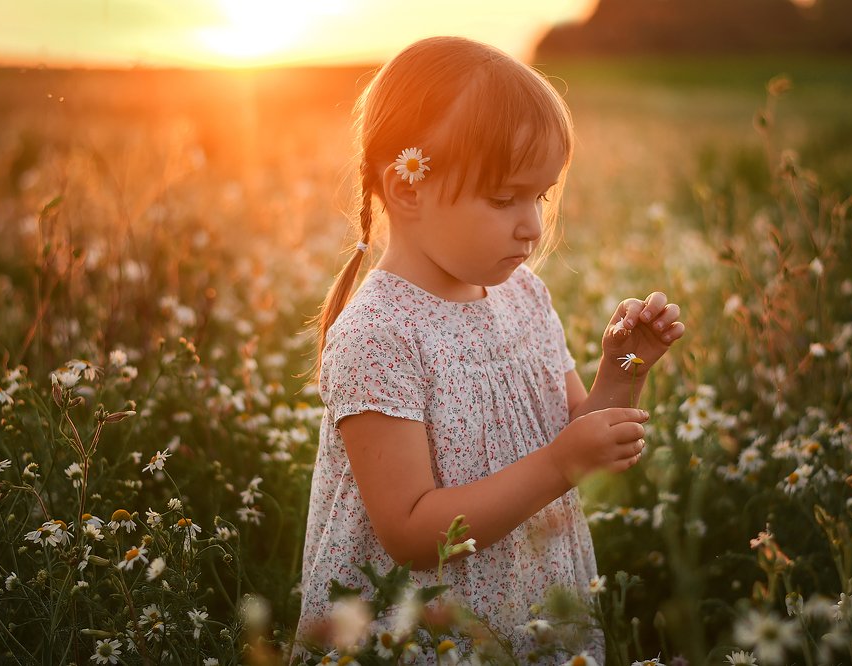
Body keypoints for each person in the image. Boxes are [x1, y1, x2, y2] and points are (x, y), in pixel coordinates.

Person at [292, 35, 685, 664]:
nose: (530, 224)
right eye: (504, 199)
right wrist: (558, 464)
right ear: (409, 190)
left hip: (531, 608)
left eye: (541, 195)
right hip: (425, 632)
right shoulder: (379, 334)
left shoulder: (523, 296)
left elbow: (580, 438)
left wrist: (626, 366)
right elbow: (415, 532)